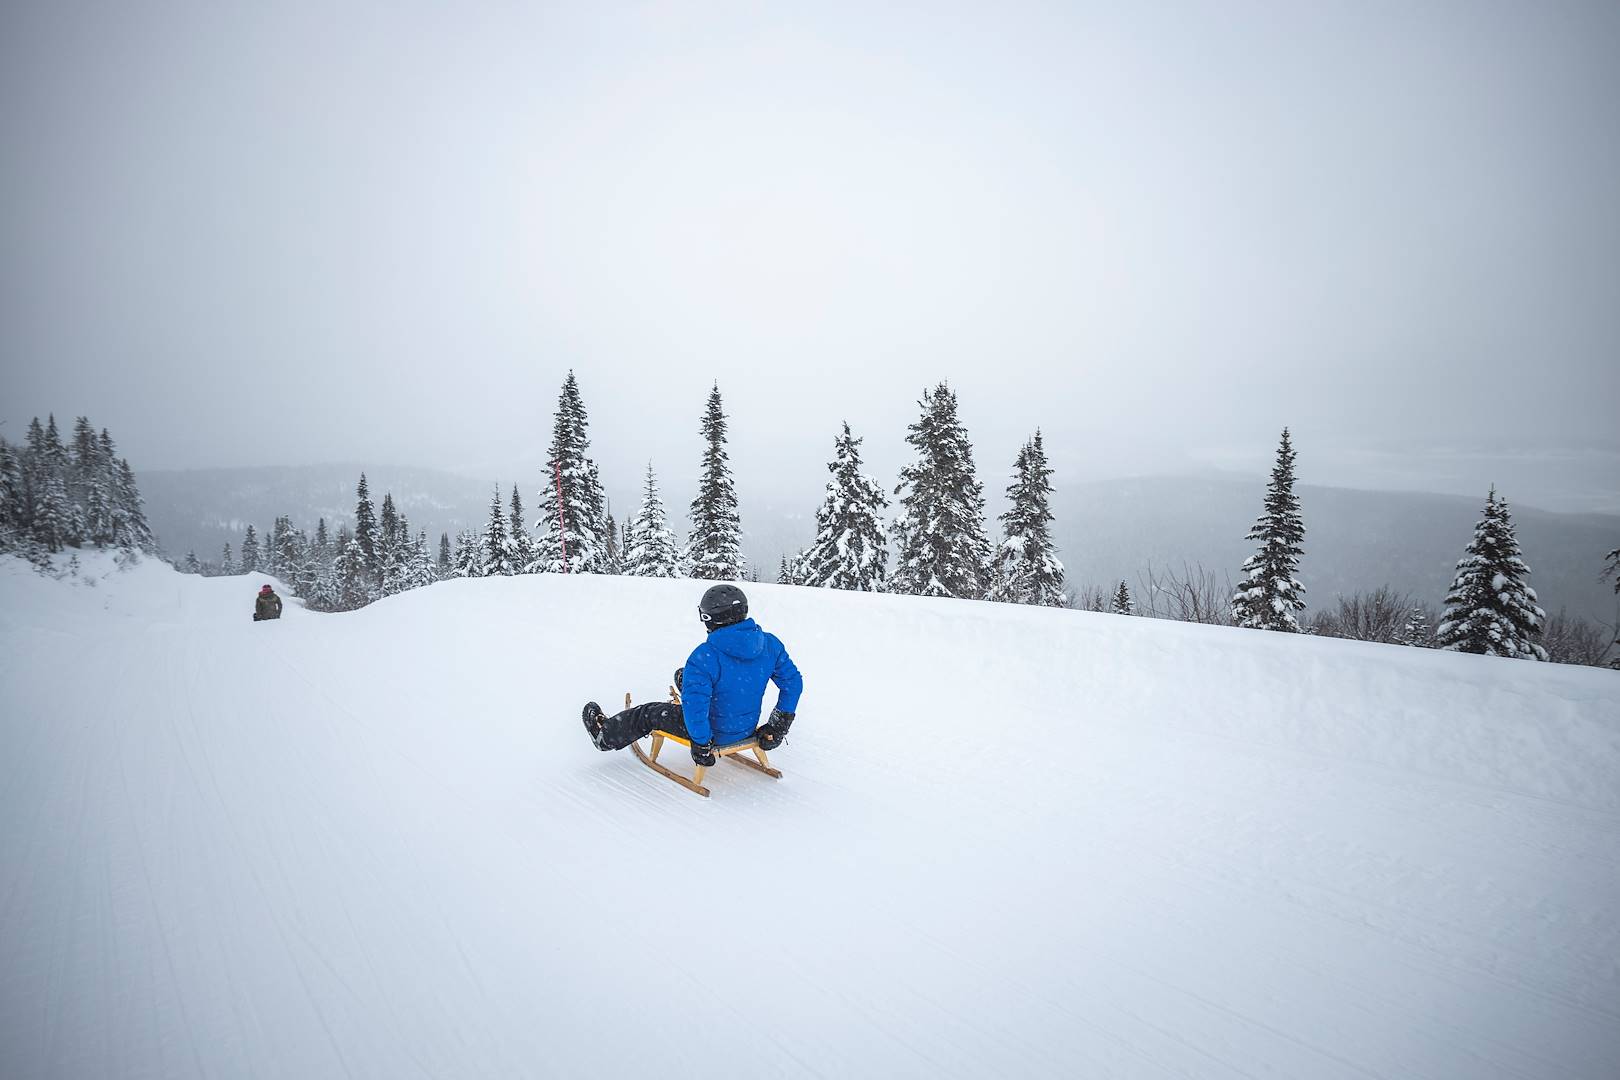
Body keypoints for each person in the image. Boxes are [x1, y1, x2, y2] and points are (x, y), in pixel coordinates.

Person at [582, 584, 802, 766]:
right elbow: (793, 683)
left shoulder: (704, 656)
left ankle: (605, 736)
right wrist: (777, 726)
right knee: (687, 676)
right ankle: (689, 685)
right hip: (745, 726)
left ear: (709, 618)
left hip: (714, 732)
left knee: (649, 713)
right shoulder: (770, 644)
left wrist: (702, 742)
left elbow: (696, 708)